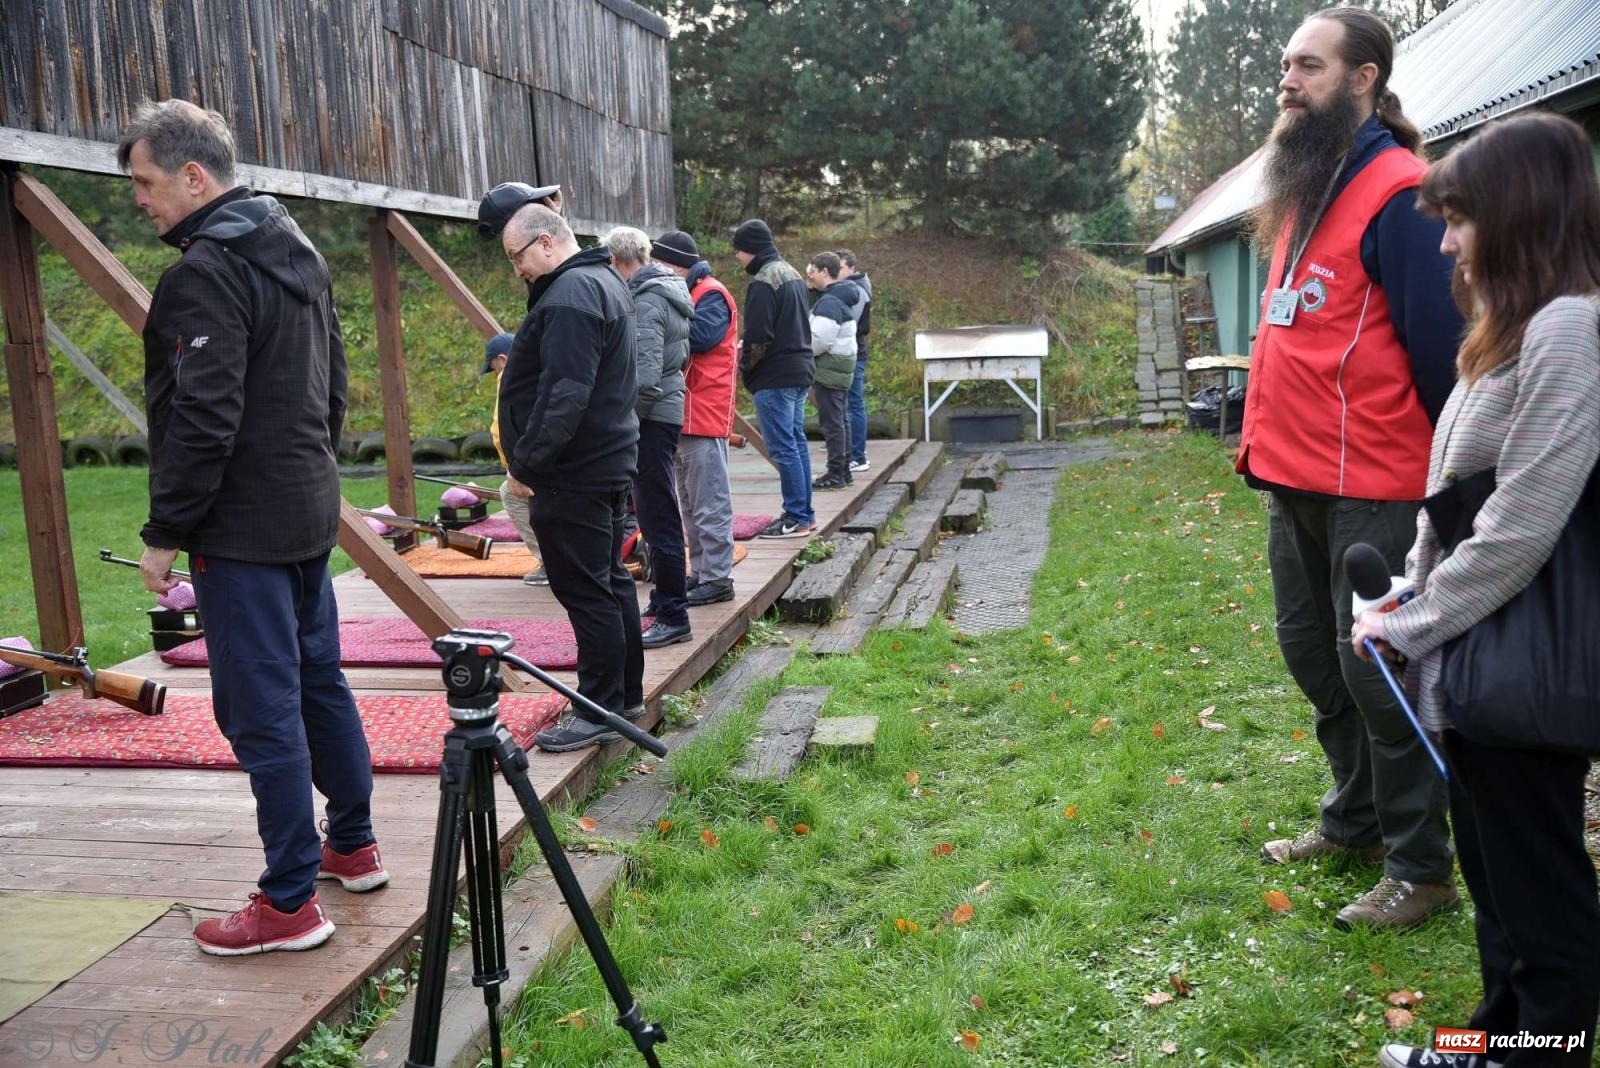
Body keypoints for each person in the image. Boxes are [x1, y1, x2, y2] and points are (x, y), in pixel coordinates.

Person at [1353, 112, 1600, 1068]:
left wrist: (1411, 619)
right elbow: (1449, 494)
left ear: (1521, 210)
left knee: (1540, 891)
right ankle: (1487, 1042)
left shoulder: (1573, 328)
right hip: (1475, 655)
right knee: (1495, 884)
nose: (1448, 240)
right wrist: (1402, 597)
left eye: (1461, 218)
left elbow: (1522, 521)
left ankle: (1538, 1058)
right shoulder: (1505, 330)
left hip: (1524, 659)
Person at [119, 99, 387, 955]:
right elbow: (335, 382)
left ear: (194, 176)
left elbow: (204, 417)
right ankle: (353, 842)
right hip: (305, 506)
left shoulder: (205, 270)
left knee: (260, 708)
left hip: (243, 528)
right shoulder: (293, 244)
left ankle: (288, 902)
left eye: (147, 183)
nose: (140, 201)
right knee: (318, 683)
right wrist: (312, 466)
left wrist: (165, 533)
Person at [1238, 7, 1464, 930]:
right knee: (1309, 652)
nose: (1289, 80)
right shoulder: (1300, 183)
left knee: (1377, 670)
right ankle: (1357, 819)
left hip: (1376, 481)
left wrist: (1456, 493)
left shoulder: (1403, 192)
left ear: (1364, 77)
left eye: (1311, 66)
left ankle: (1422, 867)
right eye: (1287, 64)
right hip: (1292, 475)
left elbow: (1445, 353)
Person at [492, 202, 646, 752]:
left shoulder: (569, 297)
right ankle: (625, 696)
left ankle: (598, 707)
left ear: (547, 243)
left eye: (518, 257)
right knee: (609, 579)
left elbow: (565, 394)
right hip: (603, 460)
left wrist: (525, 466)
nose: (518, 270)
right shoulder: (602, 281)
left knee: (587, 591)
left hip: (572, 471)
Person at [602, 226, 694, 648]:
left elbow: (645, 378)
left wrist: (621, 421)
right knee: (656, 514)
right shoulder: (667, 289)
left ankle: (674, 614)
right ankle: (663, 601)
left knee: (659, 517)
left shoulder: (647, 298)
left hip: (651, 417)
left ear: (621, 260)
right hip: (662, 413)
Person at [651, 229, 741, 607]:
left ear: (674, 264)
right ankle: (702, 573)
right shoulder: (693, 292)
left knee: (709, 502)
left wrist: (659, 326)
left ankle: (718, 577)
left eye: (659, 264)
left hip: (703, 411)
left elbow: (702, 337)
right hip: (684, 412)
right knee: (688, 503)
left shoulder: (712, 294)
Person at [731, 219, 816, 538]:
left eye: (738, 251)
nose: (737, 258)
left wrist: (746, 367)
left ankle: (794, 516)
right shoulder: (792, 273)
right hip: (800, 371)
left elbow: (758, 337)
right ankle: (805, 514)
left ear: (751, 249)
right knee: (796, 443)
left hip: (776, 377)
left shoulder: (764, 282)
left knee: (783, 448)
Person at [477, 332, 547, 586]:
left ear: (502, 359)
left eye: (493, 366)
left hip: (530, 463)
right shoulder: (533, 371)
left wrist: (518, 467)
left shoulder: (511, 379)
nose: (494, 372)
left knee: (511, 495)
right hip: (531, 460)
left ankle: (550, 563)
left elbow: (511, 426)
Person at [805, 252, 863, 489]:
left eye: (813, 271)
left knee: (832, 423)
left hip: (829, 370)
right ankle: (844, 470)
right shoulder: (841, 297)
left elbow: (819, 341)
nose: (810, 276)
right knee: (840, 421)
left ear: (824, 272)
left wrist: (800, 347)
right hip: (841, 369)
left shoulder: (829, 302)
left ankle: (836, 473)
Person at [837, 249, 873, 473]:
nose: (836, 271)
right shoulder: (850, 288)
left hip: (854, 354)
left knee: (854, 405)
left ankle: (858, 455)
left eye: (840, 267)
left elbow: (849, 322)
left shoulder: (857, 290)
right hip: (851, 353)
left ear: (851, 268)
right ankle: (850, 448)